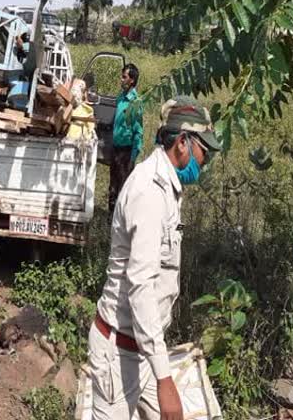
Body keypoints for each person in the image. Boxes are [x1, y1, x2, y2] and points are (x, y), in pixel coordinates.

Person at [89, 96, 221, 420]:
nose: (204, 164)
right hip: (119, 355)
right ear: (182, 143)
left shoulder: (168, 189)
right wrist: (165, 378)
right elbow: (140, 287)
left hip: (142, 349)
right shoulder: (149, 192)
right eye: (204, 153)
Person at [108, 63, 143, 214]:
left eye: (124, 77)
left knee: (124, 189)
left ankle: (121, 220)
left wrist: (132, 158)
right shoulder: (120, 98)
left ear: (132, 81)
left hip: (126, 153)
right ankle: (111, 218)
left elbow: (138, 132)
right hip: (115, 150)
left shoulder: (135, 102)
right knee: (113, 187)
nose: (121, 79)